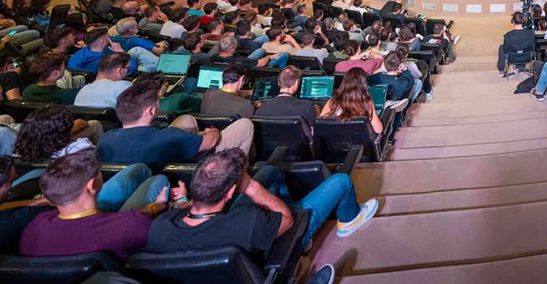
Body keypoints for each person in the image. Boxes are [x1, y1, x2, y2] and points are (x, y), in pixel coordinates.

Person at [146, 149, 378, 256]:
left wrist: (183, 201)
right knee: (341, 181)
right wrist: (251, 186)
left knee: (269, 172)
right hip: (284, 237)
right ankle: (349, 220)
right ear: (229, 193)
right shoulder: (247, 224)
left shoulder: (160, 228)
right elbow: (287, 221)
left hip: (232, 229)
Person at [18, 149, 171, 259]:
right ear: (92, 185)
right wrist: (158, 206)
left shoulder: (35, 227)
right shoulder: (132, 224)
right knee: (159, 180)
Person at [98, 79, 253, 167]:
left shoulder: (105, 139)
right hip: (196, 166)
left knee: (187, 119)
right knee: (245, 124)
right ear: (151, 111)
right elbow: (210, 142)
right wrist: (212, 131)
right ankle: (239, 176)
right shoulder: (170, 136)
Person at [320, 68, 384, 136]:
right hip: (359, 143)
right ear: (364, 85)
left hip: (334, 143)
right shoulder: (366, 103)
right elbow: (378, 130)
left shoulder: (333, 102)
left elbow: (319, 125)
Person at [255, 66, 318, 132]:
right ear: (296, 83)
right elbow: (313, 134)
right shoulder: (307, 106)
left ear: (278, 83)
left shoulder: (262, 107)